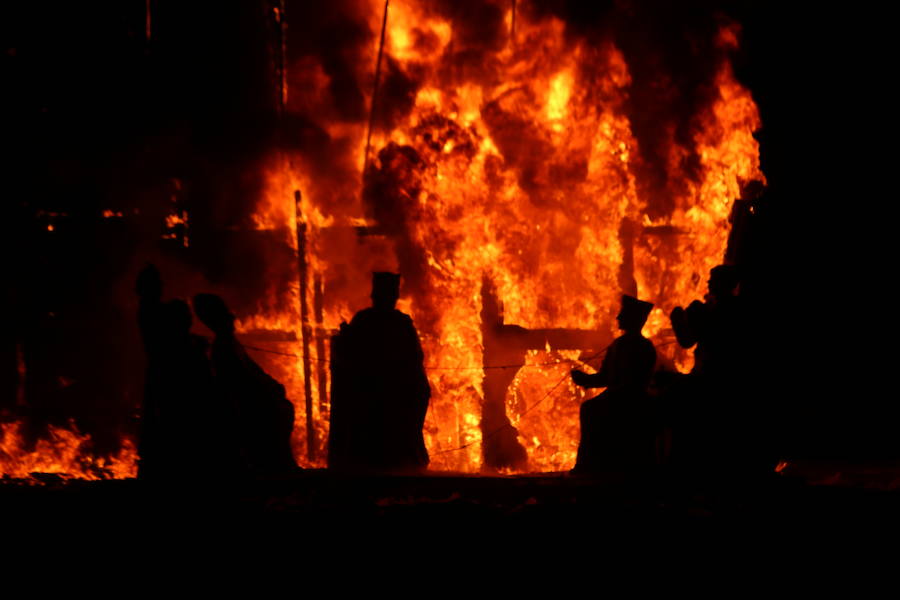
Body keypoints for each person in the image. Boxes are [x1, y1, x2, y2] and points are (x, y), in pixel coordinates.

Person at [328, 272, 430, 473]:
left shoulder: (369, 320)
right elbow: (415, 356)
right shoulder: (392, 322)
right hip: (381, 393)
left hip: (380, 393)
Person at [193, 293, 297, 476]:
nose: (232, 318)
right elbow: (242, 380)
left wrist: (271, 384)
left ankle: (280, 463)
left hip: (251, 398)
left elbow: (253, 371)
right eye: (226, 315)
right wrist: (268, 388)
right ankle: (276, 466)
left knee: (283, 408)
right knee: (277, 413)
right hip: (246, 404)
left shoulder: (230, 344)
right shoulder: (223, 348)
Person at [135, 265, 214, 481]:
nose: (161, 287)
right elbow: (172, 341)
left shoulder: (151, 311)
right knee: (170, 423)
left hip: (163, 376)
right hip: (169, 378)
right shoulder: (152, 313)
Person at [570, 294, 656, 473]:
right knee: (590, 408)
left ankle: (589, 465)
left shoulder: (641, 347)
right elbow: (606, 376)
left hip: (631, 396)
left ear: (633, 319)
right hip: (620, 394)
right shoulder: (620, 345)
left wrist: (587, 380)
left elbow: (615, 379)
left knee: (591, 410)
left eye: (622, 314)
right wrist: (584, 379)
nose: (618, 317)